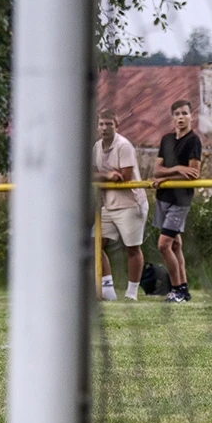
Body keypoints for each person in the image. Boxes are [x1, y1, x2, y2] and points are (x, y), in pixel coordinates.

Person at [92, 109, 148, 301]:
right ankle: (108, 290)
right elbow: (92, 174)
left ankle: (131, 293)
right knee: (95, 244)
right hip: (108, 204)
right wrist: (107, 175)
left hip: (130, 203)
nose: (105, 128)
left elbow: (124, 177)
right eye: (101, 124)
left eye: (109, 124)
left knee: (132, 248)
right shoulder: (97, 147)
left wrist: (105, 176)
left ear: (117, 125)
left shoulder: (124, 146)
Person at [151, 99, 203, 303]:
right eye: (177, 114)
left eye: (184, 113)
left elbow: (193, 173)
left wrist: (169, 176)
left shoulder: (193, 141)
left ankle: (176, 288)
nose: (181, 117)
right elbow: (157, 170)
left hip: (180, 200)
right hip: (163, 197)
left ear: (191, 116)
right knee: (174, 245)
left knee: (164, 245)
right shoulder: (166, 139)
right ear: (172, 118)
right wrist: (177, 169)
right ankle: (184, 289)